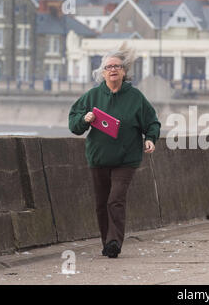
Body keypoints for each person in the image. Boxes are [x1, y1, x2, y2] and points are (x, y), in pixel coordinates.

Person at [68, 45, 161, 258]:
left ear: (124, 72)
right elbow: (74, 124)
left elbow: (152, 122)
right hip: (98, 158)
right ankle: (107, 243)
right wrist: (85, 119)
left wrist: (150, 139)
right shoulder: (92, 96)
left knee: (115, 200)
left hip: (126, 159)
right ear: (102, 73)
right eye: (108, 67)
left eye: (117, 66)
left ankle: (114, 242)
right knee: (101, 204)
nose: (113, 70)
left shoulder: (135, 97)